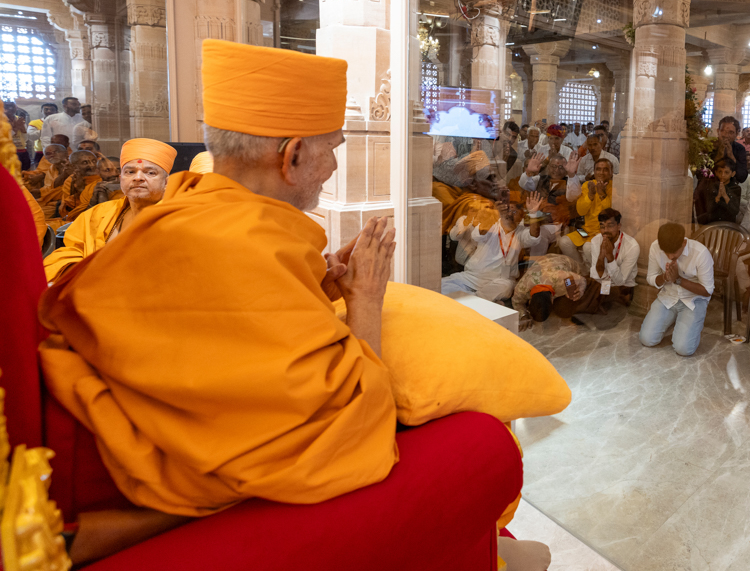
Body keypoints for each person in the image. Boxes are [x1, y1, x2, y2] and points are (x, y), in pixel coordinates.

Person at [37, 41, 401, 559]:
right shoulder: (244, 242)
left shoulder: (185, 205)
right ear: (293, 155)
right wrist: (365, 299)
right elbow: (355, 428)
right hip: (90, 472)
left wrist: (316, 289)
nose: (334, 167)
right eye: (333, 148)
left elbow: (222, 326)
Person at [43, 139, 177, 283]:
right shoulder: (97, 214)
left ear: (166, 183)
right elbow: (67, 253)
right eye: (130, 172)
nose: (138, 178)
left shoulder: (179, 219)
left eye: (150, 173)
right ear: (121, 179)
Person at [444, 197, 542, 302]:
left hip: (500, 281)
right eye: (507, 210)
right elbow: (480, 234)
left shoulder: (521, 232)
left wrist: (533, 213)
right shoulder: (492, 225)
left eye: (514, 212)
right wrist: (494, 213)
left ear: (521, 217)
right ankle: (481, 301)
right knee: (442, 285)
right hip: (472, 277)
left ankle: (473, 300)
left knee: (505, 288)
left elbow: (534, 236)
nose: (510, 213)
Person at [639, 222, 715, 357]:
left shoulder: (700, 253)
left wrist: (678, 280)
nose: (670, 257)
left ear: (684, 243)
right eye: (666, 252)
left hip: (693, 300)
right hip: (668, 296)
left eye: (674, 252)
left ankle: (688, 325)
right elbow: (651, 278)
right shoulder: (655, 247)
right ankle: (676, 321)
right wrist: (664, 277)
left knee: (684, 349)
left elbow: (707, 290)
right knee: (647, 340)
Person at [580, 207, 639, 311]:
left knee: (595, 300)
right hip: (602, 283)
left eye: (610, 226)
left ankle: (591, 306)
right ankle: (593, 305)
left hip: (622, 286)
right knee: (579, 284)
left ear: (619, 226)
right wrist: (601, 256)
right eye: (602, 226)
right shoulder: (596, 241)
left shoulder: (632, 246)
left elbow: (620, 281)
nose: (605, 231)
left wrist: (610, 258)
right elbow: (596, 275)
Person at [509, 253, 587, 325]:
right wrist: (523, 315)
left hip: (563, 261)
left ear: (552, 300)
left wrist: (580, 291)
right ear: (529, 301)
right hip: (543, 262)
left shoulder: (563, 278)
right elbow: (516, 301)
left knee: (564, 310)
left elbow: (582, 280)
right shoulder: (522, 287)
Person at [566, 157, 614, 262]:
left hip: (602, 232)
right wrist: (590, 197)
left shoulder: (615, 187)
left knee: (588, 247)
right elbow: (581, 211)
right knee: (564, 242)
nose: (601, 172)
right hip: (586, 230)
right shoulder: (587, 185)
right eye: (598, 169)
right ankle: (582, 269)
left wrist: (602, 195)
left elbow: (610, 215)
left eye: (605, 169)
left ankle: (594, 273)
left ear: (611, 172)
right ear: (594, 171)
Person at [695, 157, 742, 224]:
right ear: (716, 172)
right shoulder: (711, 186)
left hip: (728, 224)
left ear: (733, 174)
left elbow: (735, 211)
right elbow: (709, 208)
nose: (722, 175)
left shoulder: (736, 188)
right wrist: (718, 197)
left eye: (726, 172)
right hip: (711, 223)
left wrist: (725, 195)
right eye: (720, 172)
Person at [712, 115, 748, 183]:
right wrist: (719, 156)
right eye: (723, 131)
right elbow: (701, 174)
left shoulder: (739, 149)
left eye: (731, 132)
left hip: (730, 188)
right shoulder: (709, 146)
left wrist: (731, 156)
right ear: (718, 131)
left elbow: (742, 177)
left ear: (736, 134)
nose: (726, 135)